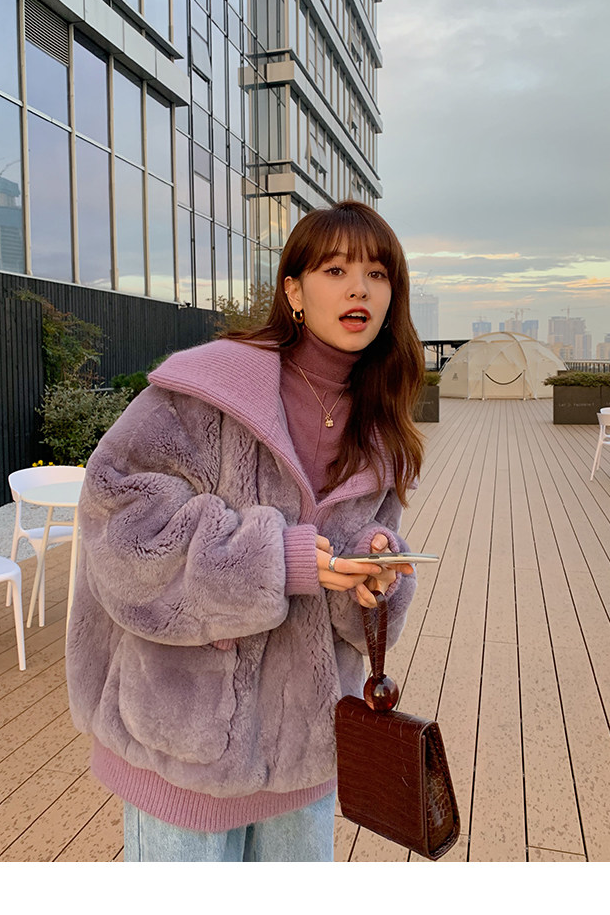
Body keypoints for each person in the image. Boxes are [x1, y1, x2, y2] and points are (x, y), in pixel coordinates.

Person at [66, 200, 426, 862]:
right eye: (336, 270)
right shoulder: (208, 388)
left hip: (304, 755)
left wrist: (374, 572)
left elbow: (361, 594)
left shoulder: (380, 428)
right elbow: (119, 524)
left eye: (377, 274)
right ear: (294, 291)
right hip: (185, 745)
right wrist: (275, 560)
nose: (359, 288)